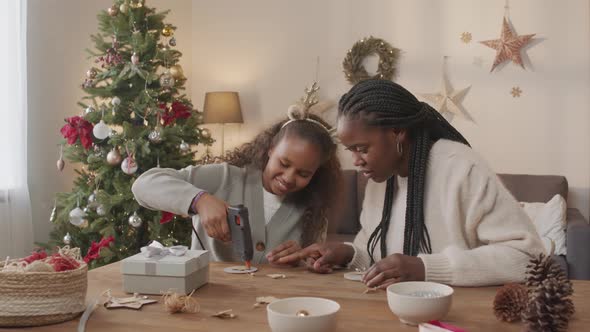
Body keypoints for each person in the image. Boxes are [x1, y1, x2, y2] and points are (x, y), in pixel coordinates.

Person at [276, 79, 544, 287]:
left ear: (397, 133)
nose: (356, 161)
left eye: (362, 148)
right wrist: (346, 253)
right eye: (351, 150)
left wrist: (425, 268)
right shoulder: (379, 181)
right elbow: (378, 256)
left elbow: (529, 258)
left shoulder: (461, 168)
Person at [132, 110, 341, 265]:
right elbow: (144, 185)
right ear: (270, 149)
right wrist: (200, 200)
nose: (288, 177)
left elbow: (312, 262)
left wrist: (301, 259)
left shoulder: (314, 207)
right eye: (284, 164)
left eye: (304, 174)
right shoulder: (224, 177)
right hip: (211, 299)